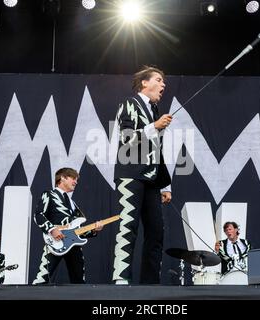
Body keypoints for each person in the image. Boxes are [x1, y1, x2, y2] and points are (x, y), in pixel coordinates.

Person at [112, 66, 173, 285]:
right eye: (159, 79)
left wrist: (166, 186)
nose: (163, 84)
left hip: (152, 180)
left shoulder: (155, 111)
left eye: (164, 81)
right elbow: (126, 138)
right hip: (131, 175)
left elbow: (157, 151)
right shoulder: (130, 103)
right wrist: (153, 127)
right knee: (128, 225)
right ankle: (120, 278)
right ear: (144, 83)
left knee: (156, 232)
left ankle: (150, 283)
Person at [32, 167, 103, 284]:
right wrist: (52, 229)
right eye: (73, 178)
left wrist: (94, 230)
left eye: (77, 179)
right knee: (42, 280)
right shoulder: (49, 194)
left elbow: (78, 229)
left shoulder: (73, 203)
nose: (76, 182)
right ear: (62, 178)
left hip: (74, 244)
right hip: (56, 242)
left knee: (79, 281)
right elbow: (38, 215)